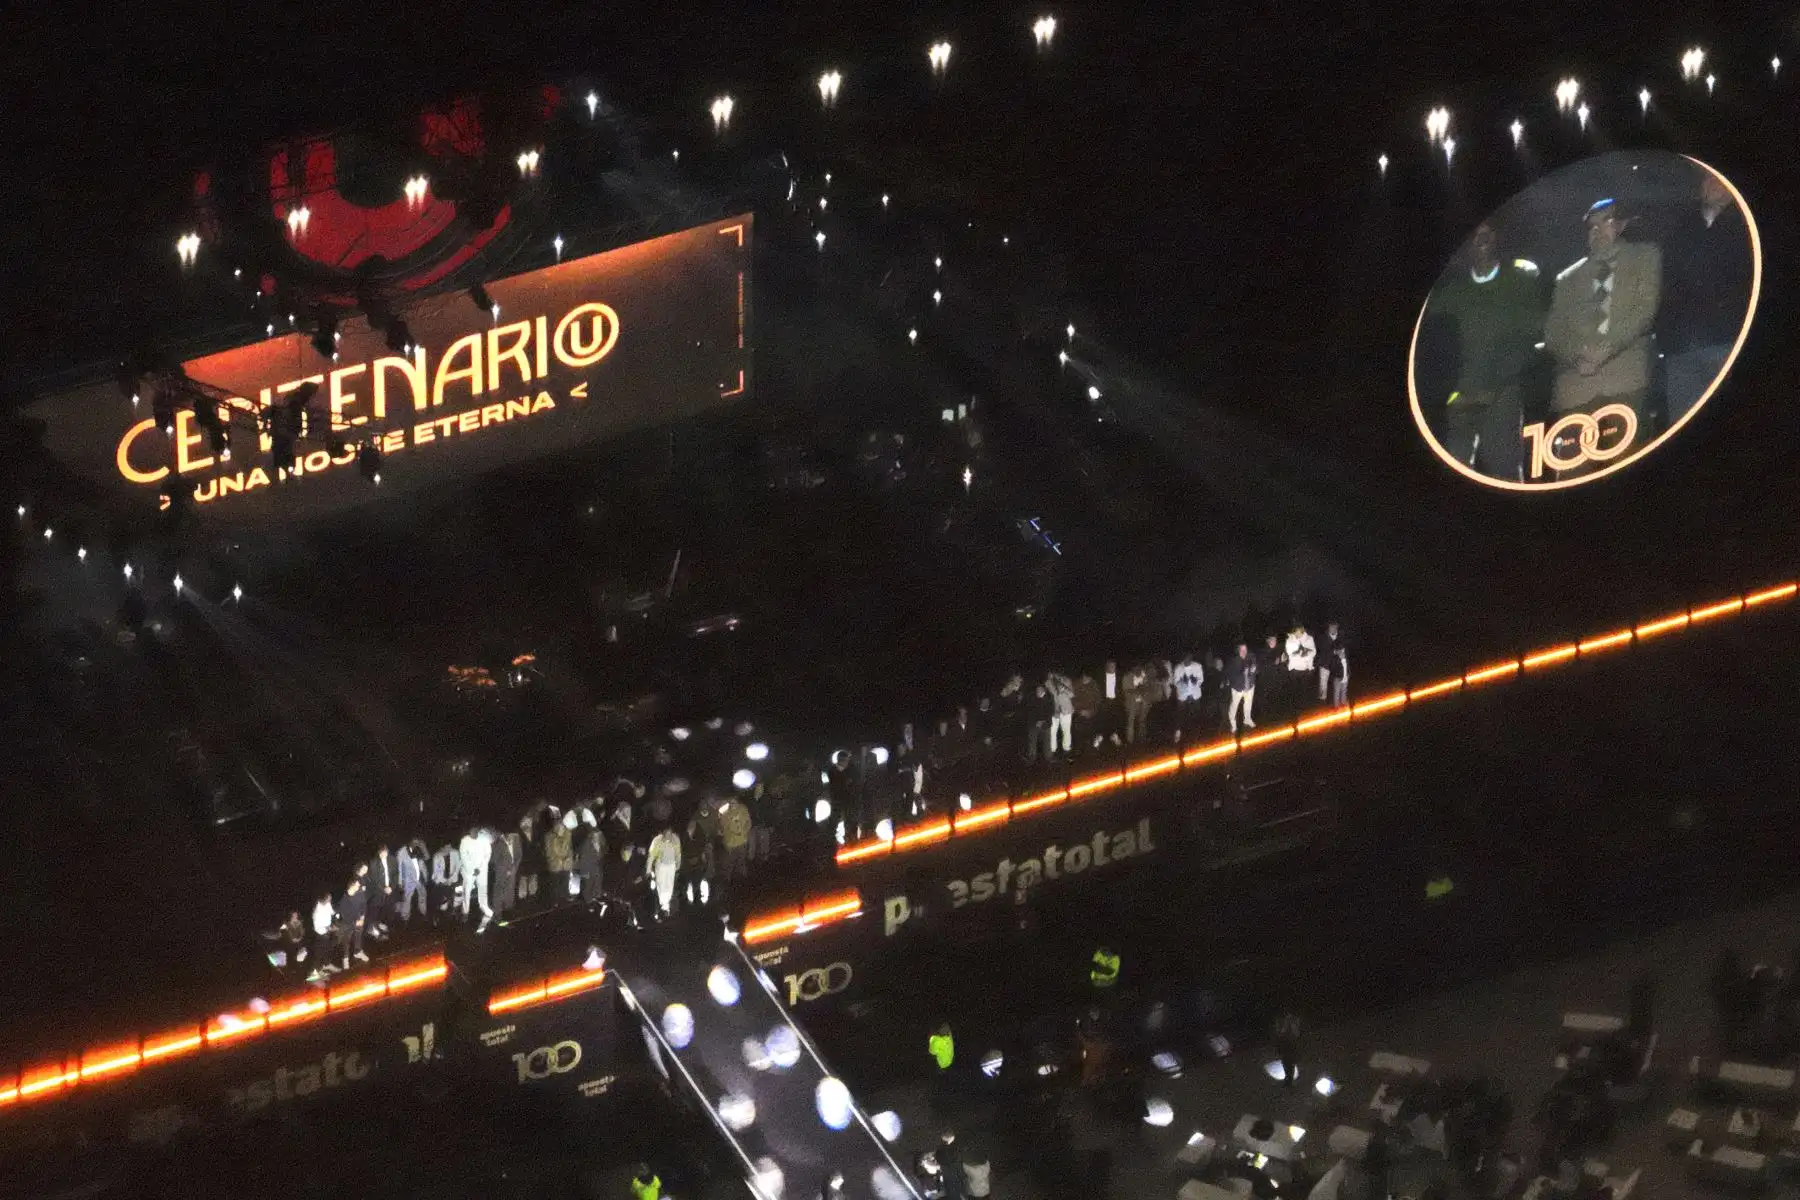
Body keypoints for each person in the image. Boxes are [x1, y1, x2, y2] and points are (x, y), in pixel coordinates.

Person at [1544, 199, 1661, 469]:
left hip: (1626, 379)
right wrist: (1577, 356)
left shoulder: (1644, 256)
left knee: (1628, 465)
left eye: (1605, 221)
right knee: (1573, 475)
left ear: (1620, 224)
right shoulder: (1567, 278)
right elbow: (1552, 332)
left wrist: (1606, 349)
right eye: (1591, 226)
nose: (1597, 230)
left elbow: (1645, 310)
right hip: (1576, 388)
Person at [1426, 221, 1546, 480]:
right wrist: (1450, 393)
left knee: (1505, 472)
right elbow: (1433, 346)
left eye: (1487, 233)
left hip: (1502, 396)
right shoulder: (1451, 292)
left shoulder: (1519, 282)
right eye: (1475, 234)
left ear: (1497, 237)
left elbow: (1528, 338)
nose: (1481, 240)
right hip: (1458, 400)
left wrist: (1494, 387)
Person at [1658, 168, 1753, 429]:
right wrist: (1667, 332)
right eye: (1709, 180)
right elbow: (1668, 282)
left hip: (1728, 340)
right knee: (1683, 422)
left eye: (1720, 180)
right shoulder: (1681, 229)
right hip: (1682, 347)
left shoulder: (1747, 227)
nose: (1714, 185)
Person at [460, 827, 494, 930]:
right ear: (469, 831)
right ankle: (465, 911)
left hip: (482, 869)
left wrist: (480, 868)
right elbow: (463, 856)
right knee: (467, 891)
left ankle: (483, 906)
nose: (474, 832)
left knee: (483, 888)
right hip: (469, 871)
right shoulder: (464, 840)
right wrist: (472, 869)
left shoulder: (484, 840)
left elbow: (487, 854)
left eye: (476, 830)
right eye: (472, 830)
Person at [646, 824, 682, 920]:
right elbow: (651, 856)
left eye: (670, 835)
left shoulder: (676, 839)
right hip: (661, 866)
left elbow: (678, 853)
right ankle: (662, 905)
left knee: (669, 886)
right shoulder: (657, 841)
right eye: (666, 835)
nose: (668, 837)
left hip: (671, 866)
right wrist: (648, 870)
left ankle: (666, 906)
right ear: (663, 834)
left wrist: (678, 865)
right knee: (661, 886)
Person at [1225, 642, 1257, 733]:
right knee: (1234, 706)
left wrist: (1253, 670)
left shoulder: (1251, 657)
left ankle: (1247, 719)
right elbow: (1231, 676)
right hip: (1238, 688)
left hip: (1250, 686)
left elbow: (1256, 669)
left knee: (1248, 704)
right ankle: (1232, 723)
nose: (1244, 652)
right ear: (1238, 651)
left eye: (1245, 649)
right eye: (1242, 650)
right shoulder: (1233, 662)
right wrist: (1243, 674)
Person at [1172, 653, 1205, 742]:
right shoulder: (1178, 668)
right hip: (1183, 695)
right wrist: (1182, 681)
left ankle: (1196, 734)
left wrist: (1196, 681)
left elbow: (1201, 679)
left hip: (1195, 694)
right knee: (1180, 714)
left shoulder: (1197, 666)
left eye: (1189, 658)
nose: (1187, 660)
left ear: (1191, 658)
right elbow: (1175, 682)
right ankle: (1178, 732)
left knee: (1196, 714)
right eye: (1185, 659)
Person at [366, 844, 396, 939]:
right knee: (375, 909)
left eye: (385, 852)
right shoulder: (373, 863)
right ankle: (371, 929)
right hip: (378, 891)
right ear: (378, 853)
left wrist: (391, 887)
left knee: (387, 908)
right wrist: (384, 889)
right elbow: (374, 879)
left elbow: (395, 874)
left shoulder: (392, 860)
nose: (383, 854)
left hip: (390, 890)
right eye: (381, 853)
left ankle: (380, 924)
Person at [491, 827, 520, 922]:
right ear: (505, 835)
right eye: (510, 836)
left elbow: (519, 854)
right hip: (501, 872)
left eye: (513, 836)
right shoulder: (497, 843)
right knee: (499, 892)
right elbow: (494, 860)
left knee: (510, 890)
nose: (512, 838)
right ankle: (497, 914)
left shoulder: (516, 838)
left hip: (513, 870)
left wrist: (514, 867)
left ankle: (508, 910)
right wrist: (506, 869)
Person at [544, 812, 576, 899]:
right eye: (558, 822)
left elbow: (570, 848)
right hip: (555, 863)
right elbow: (549, 850)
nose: (560, 825)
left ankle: (565, 896)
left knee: (565, 881)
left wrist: (568, 858)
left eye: (561, 823)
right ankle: (555, 899)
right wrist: (557, 859)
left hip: (566, 863)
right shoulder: (549, 836)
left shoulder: (568, 834)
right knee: (555, 884)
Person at [339, 877, 369, 967]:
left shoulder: (360, 893)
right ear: (351, 886)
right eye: (357, 884)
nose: (359, 885)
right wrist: (355, 922)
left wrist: (362, 918)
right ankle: (345, 958)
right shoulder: (344, 900)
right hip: (348, 923)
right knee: (346, 941)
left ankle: (357, 952)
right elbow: (345, 916)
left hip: (359, 919)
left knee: (358, 936)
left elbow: (363, 905)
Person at [1318, 621, 1349, 707]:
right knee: (1323, 684)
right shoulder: (1323, 637)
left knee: (1337, 683)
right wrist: (1335, 651)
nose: (1332, 629)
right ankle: (1322, 701)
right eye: (1331, 627)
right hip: (1325, 664)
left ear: (1337, 627)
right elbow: (1322, 651)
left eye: (1334, 627)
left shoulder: (1341, 636)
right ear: (1328, 627)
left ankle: (1337, 701)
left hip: (1336, 665)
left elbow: (1345, 648)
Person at [308, 893, 337, 983]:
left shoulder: (327, 904)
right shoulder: (317, 912)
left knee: (328, 949)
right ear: (324, 899)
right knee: (319, 954)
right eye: (329, 898)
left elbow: (332, 912)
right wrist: (330, 928)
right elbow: (317, 928)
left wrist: (337, 915)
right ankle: (313, 974)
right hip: (321, 934)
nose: (330, 899)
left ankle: (326, 965)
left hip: (328, 932)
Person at [1284, 624, 1316, 706]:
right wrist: (1299, 651)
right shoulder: (1290, 640)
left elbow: (1313, 651)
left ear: (1302, 631)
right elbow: (1290, 653)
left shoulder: (1309, 639)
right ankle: (1294, 706)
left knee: (1304, 689)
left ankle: (1303, 705)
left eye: (1299, 632)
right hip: (1294, 669)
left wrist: (1306, 655)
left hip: (1305, 669)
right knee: (1294, 690)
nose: (1298, 634)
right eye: (1296, 632)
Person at [429, 840, 461, 922]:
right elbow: (437, 871)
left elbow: (457, 867)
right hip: (440, 881)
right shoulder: (437, 856)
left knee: (452, 899)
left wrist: (450, 880)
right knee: (441, 901)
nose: (449, 849)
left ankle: (452, 916)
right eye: (447, 847)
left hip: (452, 880)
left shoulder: (455, 853)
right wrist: (445, 881)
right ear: (442, 848)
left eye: (450, 847)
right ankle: (437, 916)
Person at [397, 840, 428, 923]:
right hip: (409, 879)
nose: (416, 843)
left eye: (417, 841)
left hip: (420, 878)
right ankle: (405, 917)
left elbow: (427, 857)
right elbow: (399, 868)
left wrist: (423, 846)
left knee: (423, 896)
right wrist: (400, 882)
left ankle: (423, 913)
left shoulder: (420, 847)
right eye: (415, 841)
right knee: (407, 899)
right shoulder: (402, 852)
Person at [576, 824, 607, 904]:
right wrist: (584, 872)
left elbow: (602, 856)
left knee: (596, 886)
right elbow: (583, 859)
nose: (596, 837)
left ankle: (595, 899)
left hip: (597, 869)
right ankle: (587, 902)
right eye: (595, 835)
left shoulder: (601, 844)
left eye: (598, 835)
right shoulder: (587, 844)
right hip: (588, 869)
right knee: (588, 887)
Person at [1046, 671, 1075, 759]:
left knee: (1066, 731)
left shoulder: (1067, 680)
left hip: (1066, 710)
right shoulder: (1048, 683)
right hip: (1054, 711)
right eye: (1051, 673)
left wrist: (1064, 688)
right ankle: (1052, 751)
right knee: (1052, 731)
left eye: (1055, 673)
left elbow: (1072, 694)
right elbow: (1048, 697)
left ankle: (1066, 750)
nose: (1053, 675)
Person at [1122, 663, 1152, 745]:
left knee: (1142, 720)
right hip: (1131, 703)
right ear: (1133, 669)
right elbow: (1125, 691)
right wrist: (1136, 690)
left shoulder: (1143, 674)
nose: (1139, 670)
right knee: (1131, 721)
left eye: (1140, 668)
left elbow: (1147, 687)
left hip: (1142, 702)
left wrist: (1142, 690)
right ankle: (1130, 741)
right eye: (1137, 668)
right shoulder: (1127, 677)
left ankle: (1142, 739)